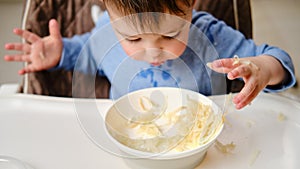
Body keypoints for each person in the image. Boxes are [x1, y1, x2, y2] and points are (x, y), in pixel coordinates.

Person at [4, 0, 296, 109]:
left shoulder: (211, 36)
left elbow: (278, 59)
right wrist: (60, 53)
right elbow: (85, 53)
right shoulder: (105, 34)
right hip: (125, 142)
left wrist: (262, 68)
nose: (152, 49)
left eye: (170, 36)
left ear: (191, 6)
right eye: (133, 38)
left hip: (196, 144)